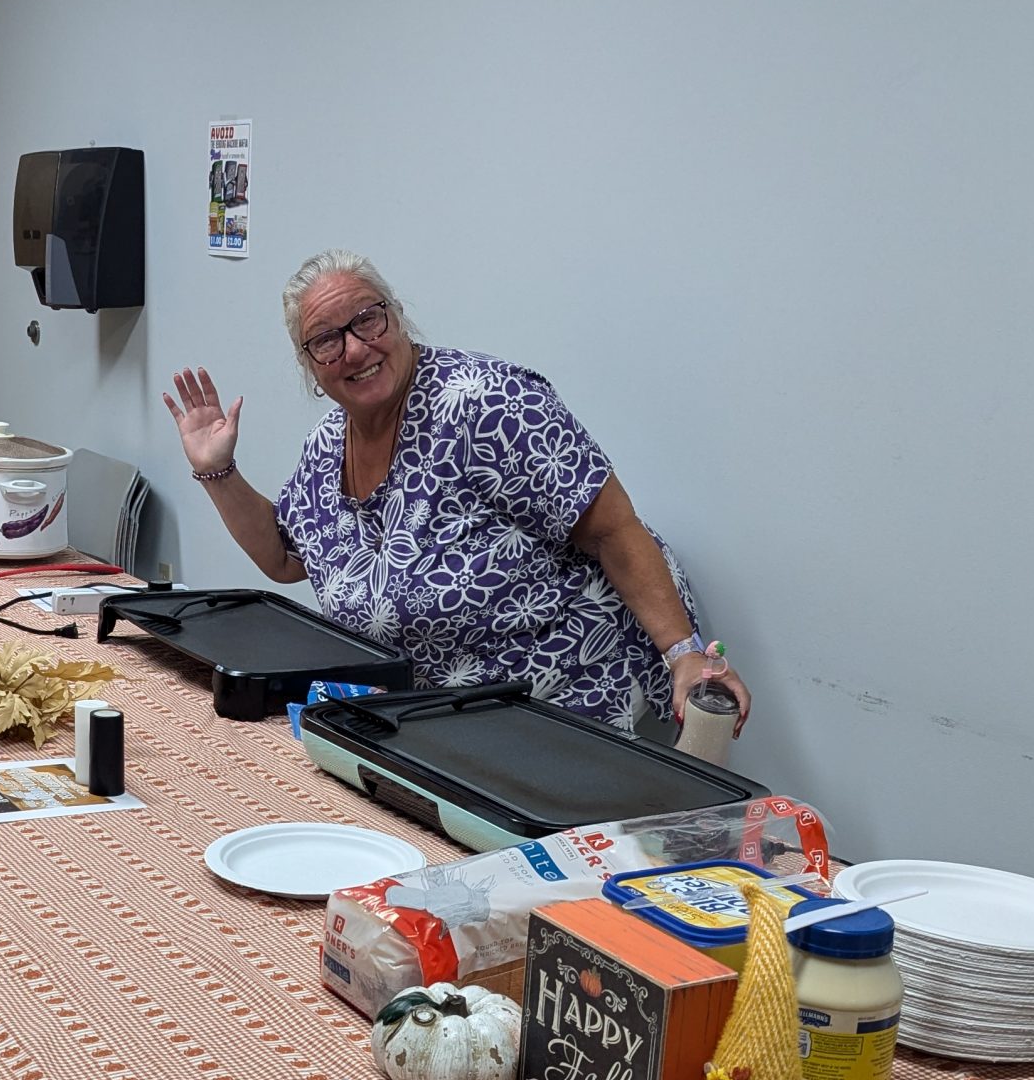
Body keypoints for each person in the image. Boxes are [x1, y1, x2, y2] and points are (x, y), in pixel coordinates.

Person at [162, 248, 749, 735]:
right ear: (310, 366)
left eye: (367, 319)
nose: (356, 349)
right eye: (327, 340)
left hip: (564, 689)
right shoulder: (327, 443)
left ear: (398, 316)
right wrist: (218, 471)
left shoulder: (486, 404)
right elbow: (284, 557)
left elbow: (616, 530)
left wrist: (684, 654)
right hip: (441, 710)